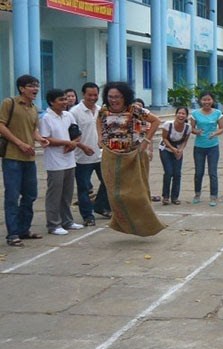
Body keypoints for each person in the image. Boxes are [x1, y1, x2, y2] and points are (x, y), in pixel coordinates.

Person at [97, 81, 164, 236]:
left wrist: (146, 142)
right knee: (115, 194)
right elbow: (99, 121)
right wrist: (100, 137)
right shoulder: (104, 111)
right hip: (112, 155)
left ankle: (147, 225)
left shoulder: (135, 110)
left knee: (137, 193)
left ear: (125, 96)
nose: (113, 100)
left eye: (117, 97)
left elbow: (156, 121)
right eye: (110, 96)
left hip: (133, 155)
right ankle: (121, 223)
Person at [0, 75, 49, 247]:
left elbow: (33, 129)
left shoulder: (34, 108)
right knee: (12, 196)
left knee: (30, 194)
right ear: (21, 88)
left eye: (37, 85)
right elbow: (1, 125)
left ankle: (24, 229)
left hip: (29, 157)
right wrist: (20, 143)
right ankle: (12, 234)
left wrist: (40, 139)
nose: (35, 89)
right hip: (12, 157)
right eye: (31, 86)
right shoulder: (10, 103)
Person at [39, 89, 83, 236]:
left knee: (67, 193)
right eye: (61, 100)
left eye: (65, 99)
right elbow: (46, 139)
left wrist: (73, 143)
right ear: (52, 102)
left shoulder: (68, 115)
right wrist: (66, 142)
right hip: (55, 161)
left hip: (69, 159)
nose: (65, 102)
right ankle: (53, 224)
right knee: (55, 194)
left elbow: (76, 133)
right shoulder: (46, 118)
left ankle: (67, 221)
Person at [71, 81, 111, 227]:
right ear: (83, 94)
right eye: (90, 95)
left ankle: (101, 206)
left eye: (95, 95)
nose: (93, 98)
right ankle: (87, 216)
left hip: (101, 156)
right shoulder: (74, 112)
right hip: (82, 157)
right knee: (84, 189)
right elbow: (71, 135)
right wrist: (82, 146)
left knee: (108, 182)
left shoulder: (101, 110)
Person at [190, 92, 223, 206]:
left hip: (213, 147)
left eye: (209, 100)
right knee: (199, 172)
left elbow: (222, 128)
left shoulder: (217, 113)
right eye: (204, 100)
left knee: (212, 172)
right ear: (200, 101)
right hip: (199, 147)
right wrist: (196, 131)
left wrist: (215, 133)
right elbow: (192, 128)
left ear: (212, 101)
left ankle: (213, 196)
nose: (206, 102)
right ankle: (197, 194)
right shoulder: (195, 113)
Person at [158, 106, 192, 205]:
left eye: (183, 114)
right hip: (166, 148)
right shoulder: (168, 125)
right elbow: (164, 138)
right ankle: (165, 196)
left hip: (177, 149)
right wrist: (173, 149)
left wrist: (180, 150)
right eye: (179, 113)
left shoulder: (187, 127)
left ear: (186, 116)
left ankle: (175, 197)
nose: (181, 115)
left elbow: (185, 140)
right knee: (168, 172)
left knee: (177, 173)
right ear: (176, 114)